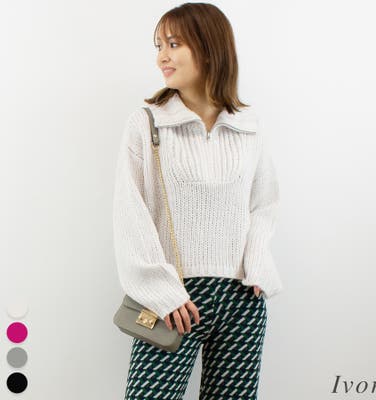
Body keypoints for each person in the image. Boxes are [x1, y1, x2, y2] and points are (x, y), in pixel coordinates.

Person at [112, 3, 283, 399]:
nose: (162, 57)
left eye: (174, 44)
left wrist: (257, 266)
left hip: (242, 299)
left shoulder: (248, 126)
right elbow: (129, 213)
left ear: (208, 48)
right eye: (159, 46)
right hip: (174, 300)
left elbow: (264, 203)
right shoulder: (147, 122)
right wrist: (162, 292)